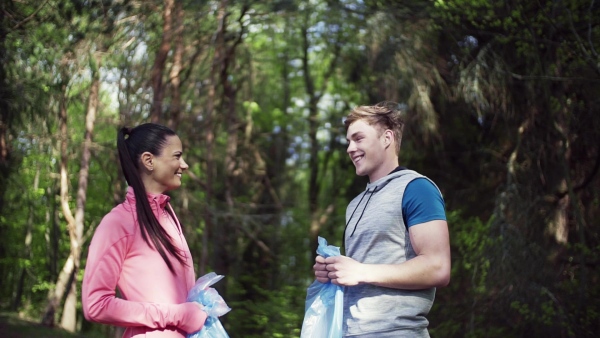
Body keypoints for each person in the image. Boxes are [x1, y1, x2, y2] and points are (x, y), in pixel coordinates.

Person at [313, 102, 451, 337]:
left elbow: (438, 268)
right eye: (348, 141)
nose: (350, 148)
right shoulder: (354, 205)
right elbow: (360, 272)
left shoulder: (417, 188)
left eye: (358, 138)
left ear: (386, 138)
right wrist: (333, 272)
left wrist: (361, 271)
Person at [82, 123, 207, 337]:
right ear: (149, 161)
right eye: (177, 156)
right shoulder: (118, 222)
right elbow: (95, 305)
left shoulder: (168, 216)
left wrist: (199, 303)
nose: (184, 165)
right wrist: (179, 315)